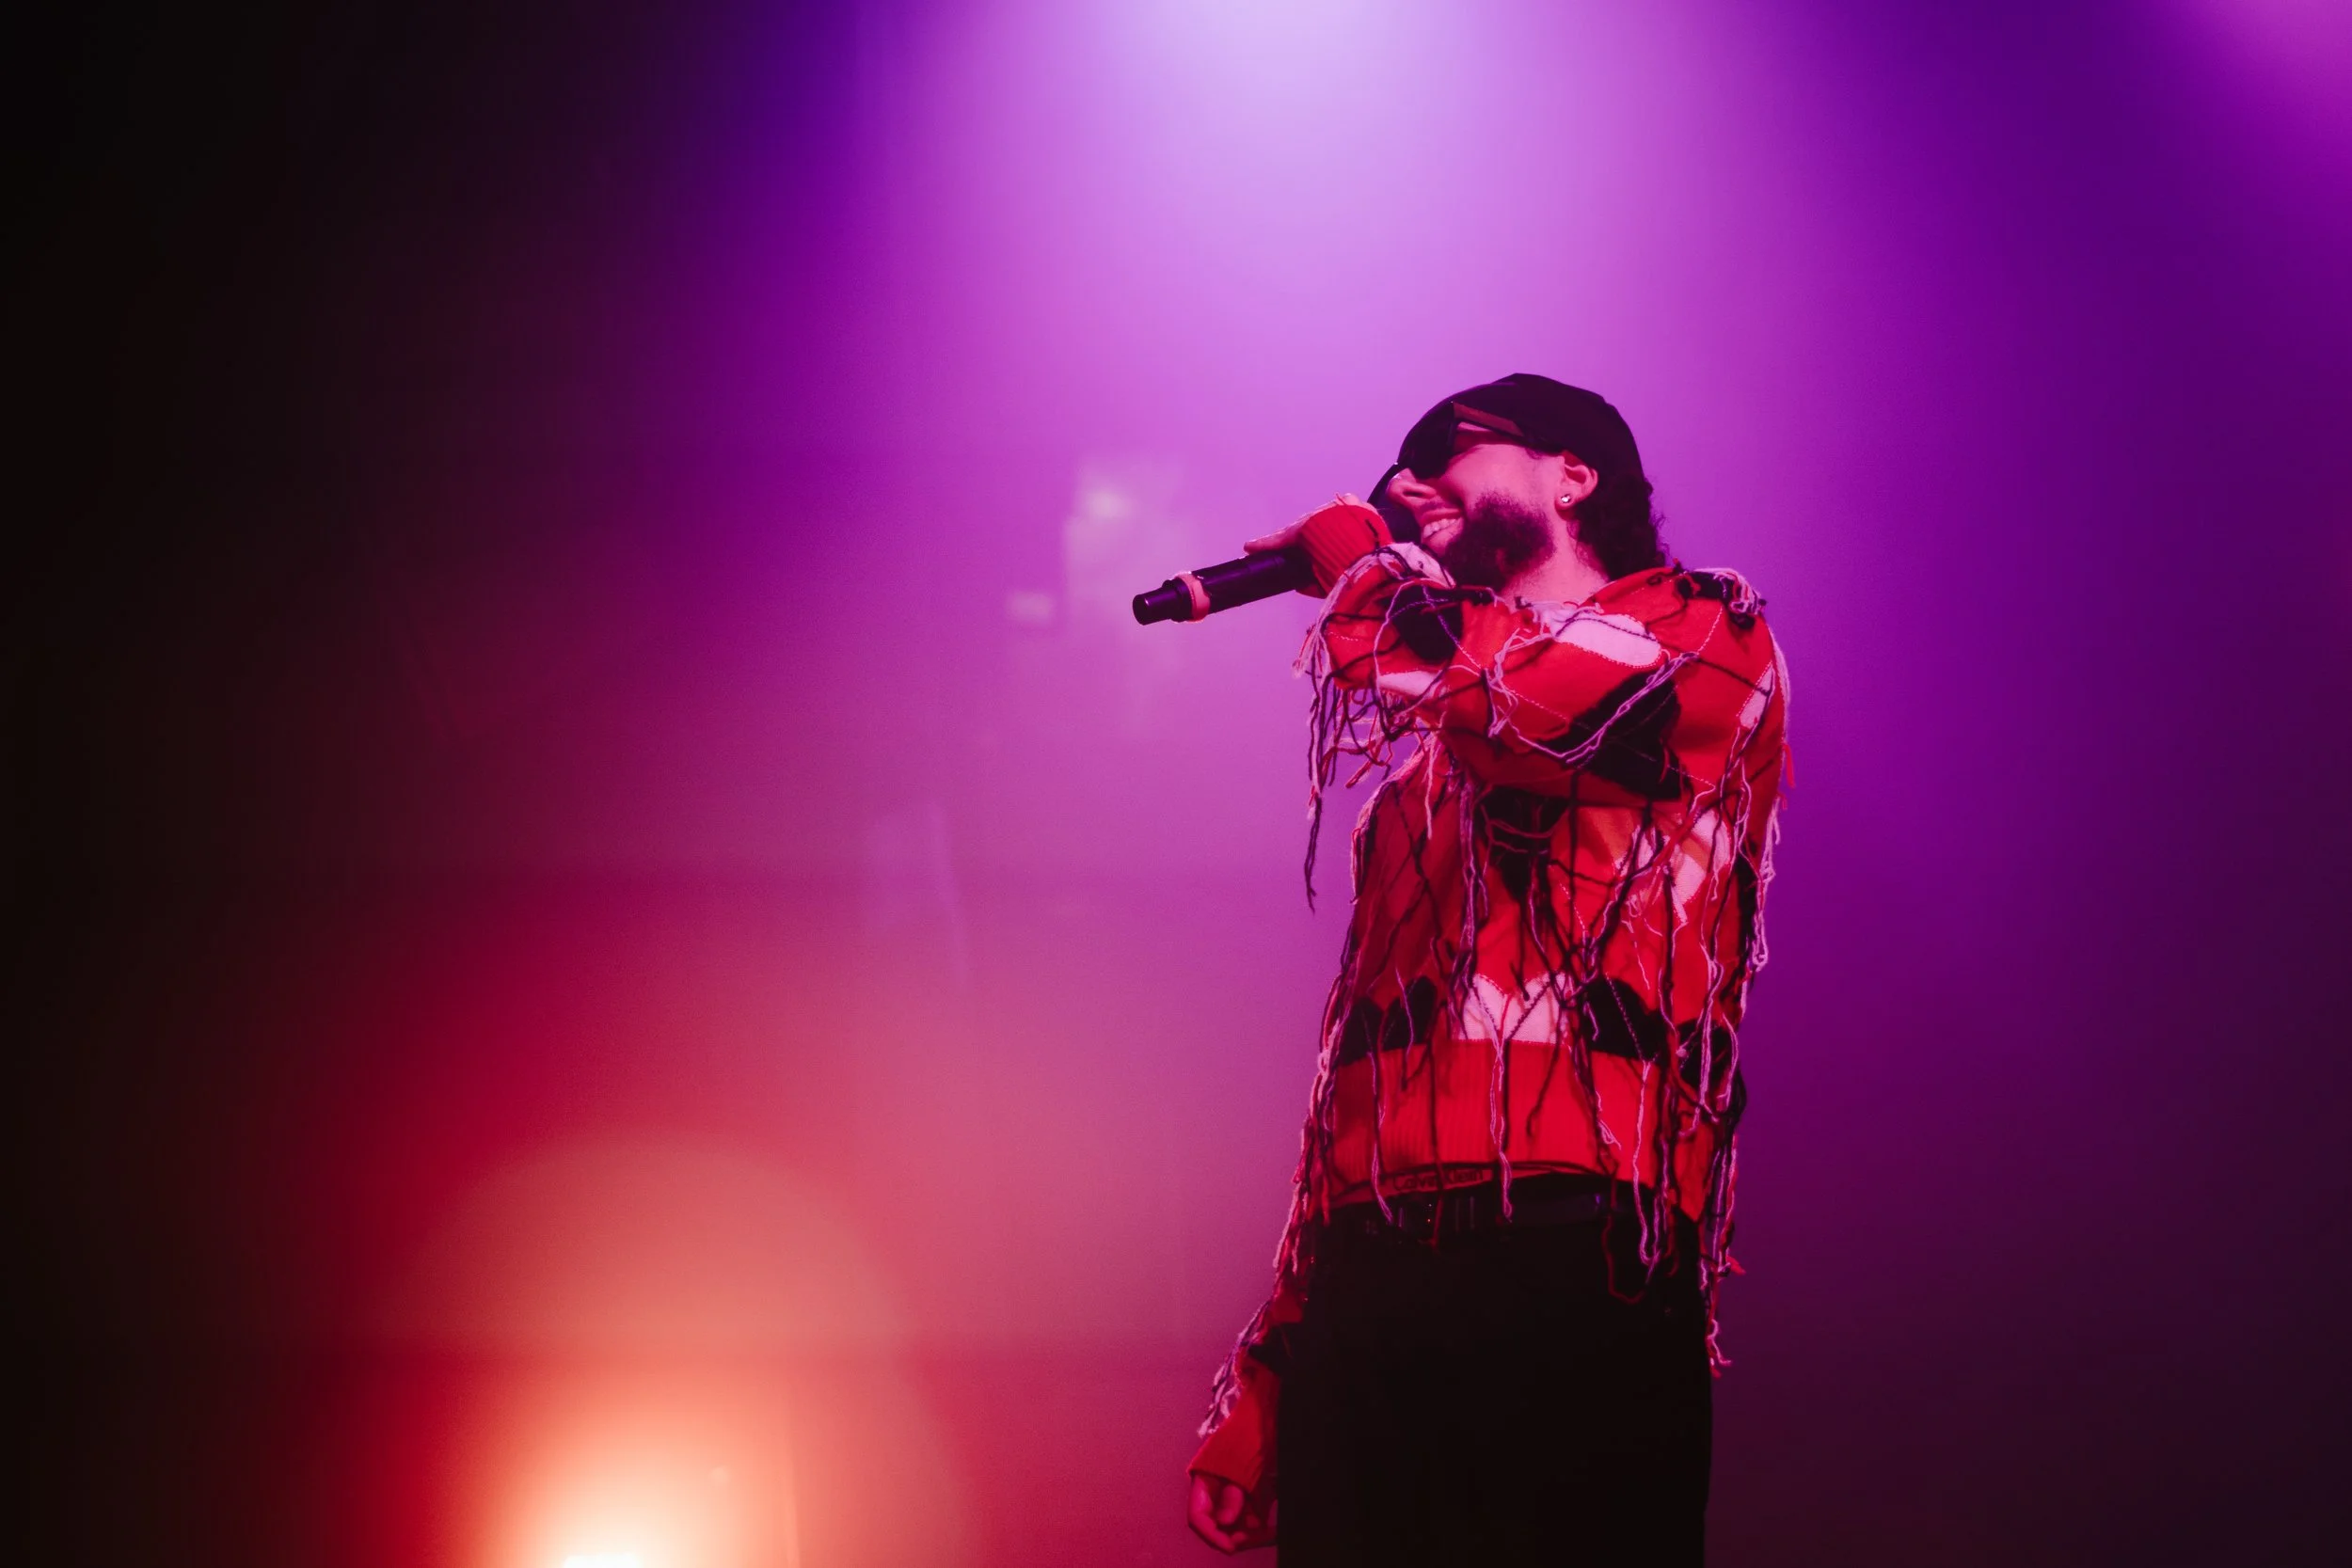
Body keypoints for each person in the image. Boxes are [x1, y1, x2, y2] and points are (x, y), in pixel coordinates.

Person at [1184, 375, 1788, 1565]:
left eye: (1448, 450)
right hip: (1373, 1283)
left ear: (1576, 475)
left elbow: (1529, 703)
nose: (1407, 485)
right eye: (1397, 471)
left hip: (1579, 1252)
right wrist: (1279, 1363)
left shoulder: (1704, 635)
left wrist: (1361, 565)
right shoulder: (1418, 795)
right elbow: (1353, 1085)